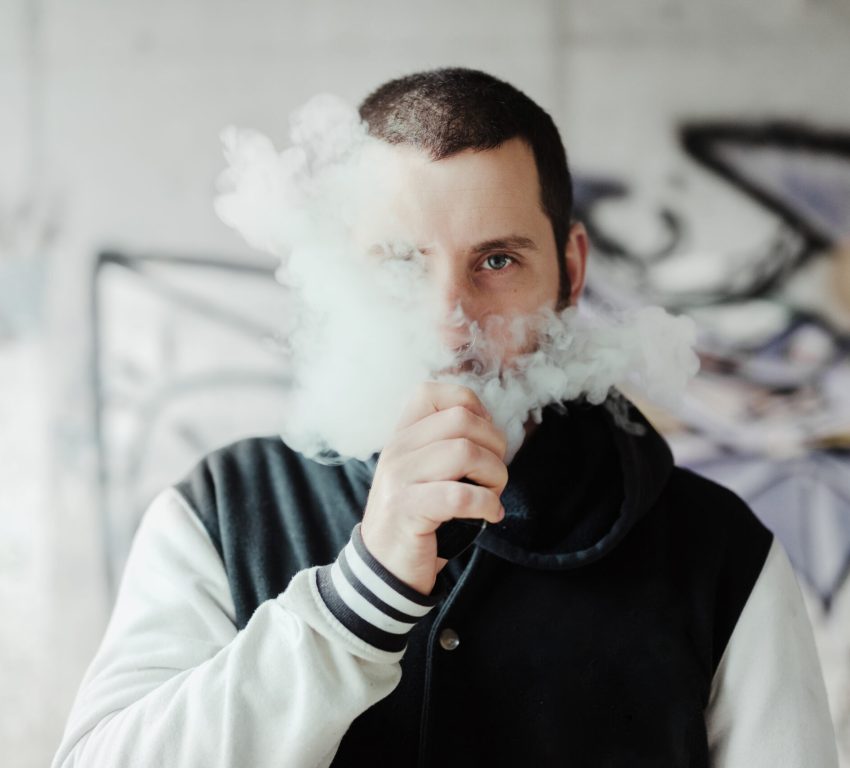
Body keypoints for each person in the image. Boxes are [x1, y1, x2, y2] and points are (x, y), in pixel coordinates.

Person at [52, 68, 839, 767]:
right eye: (401, 262)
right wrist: (361, 599)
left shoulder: (722, 554)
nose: (448, 324)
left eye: (497, 261)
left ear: (569, 272)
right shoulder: (221, 511)